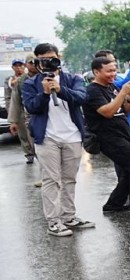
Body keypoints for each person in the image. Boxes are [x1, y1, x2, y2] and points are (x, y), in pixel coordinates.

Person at [21, 43, 96, 237]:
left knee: (69, 179)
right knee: (51, 180)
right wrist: (45, 93)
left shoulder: (73, 79)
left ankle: (68, 216)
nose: (49, 63)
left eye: (52, 59)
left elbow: (81, 98)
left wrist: (60, 89)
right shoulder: (30, 83)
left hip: (72, 135)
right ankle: (53, 221)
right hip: (46, 138)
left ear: (58, 58)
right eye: (44, 60)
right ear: (37, 61)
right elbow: (31, 107)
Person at [84, 56, 130, 214]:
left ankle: (114, 204)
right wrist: (122, 93)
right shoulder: (92, 91)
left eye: (115, 70)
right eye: (109, 71)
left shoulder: (111, 87)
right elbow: (108, 112)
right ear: (96, 71)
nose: (113, 74)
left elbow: (124, 111)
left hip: (123, 134)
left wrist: (129, 100)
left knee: (128, 170)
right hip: (107, 138)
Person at [6, 59, 36, 163]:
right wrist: (13, 119)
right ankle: (29, 153)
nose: (19, 68)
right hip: (22, 111)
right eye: (16, 66)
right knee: (24, 135)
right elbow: (11, 98)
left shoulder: (43, 76)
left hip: (36, 112)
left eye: (20, 65)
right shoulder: (15, 80)